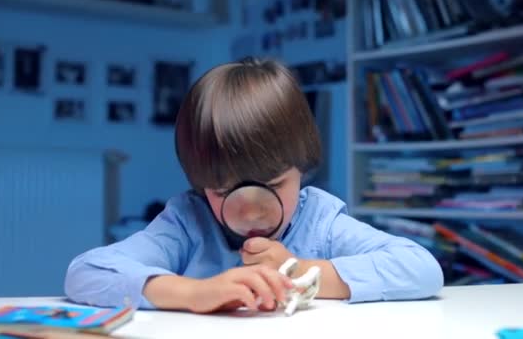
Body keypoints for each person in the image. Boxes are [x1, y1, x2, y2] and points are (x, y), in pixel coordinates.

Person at [64, 58, 443, 314]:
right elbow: (85, 273)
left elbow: (421, 268)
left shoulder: (320, 220)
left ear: (303, 167)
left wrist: (299, 270)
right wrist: (195, 294)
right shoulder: (187, 222)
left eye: (273, 184)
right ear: (199, 184)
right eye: (221, 190)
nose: (249, 211)